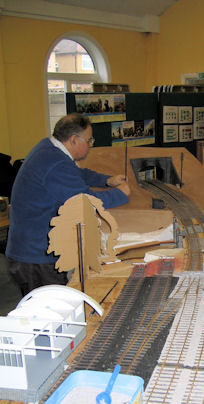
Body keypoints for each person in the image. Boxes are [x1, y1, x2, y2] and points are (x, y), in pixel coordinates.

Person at [6, 112, 131, 295]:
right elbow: (85, 203)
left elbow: (76, 174)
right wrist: (119, 194)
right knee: (53, 311)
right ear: (73, 140)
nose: (91, 145)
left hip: (28, 248)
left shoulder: (49, 148)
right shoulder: (55, 162)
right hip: (36, 258)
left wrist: (107, 180)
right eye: (88, 141)